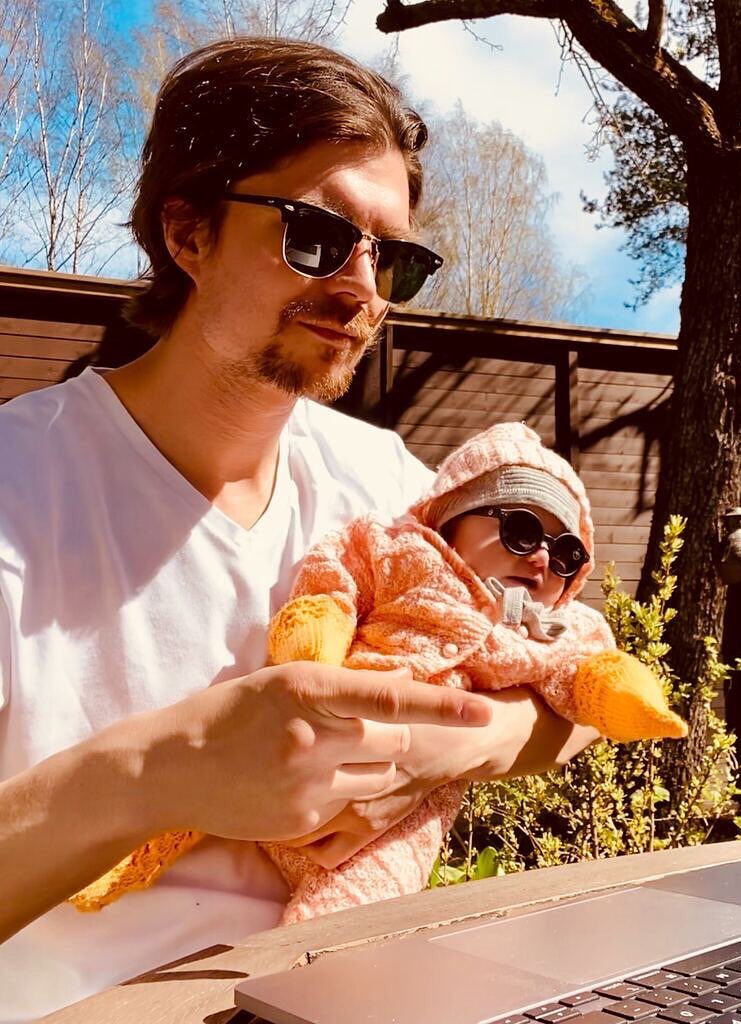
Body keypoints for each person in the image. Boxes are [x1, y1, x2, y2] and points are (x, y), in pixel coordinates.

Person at [0, 39, 602, 1022]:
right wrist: (157, 773)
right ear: (188, 232)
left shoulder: (388, 487)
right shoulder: (19, 492)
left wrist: (448, 749)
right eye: (317, 234)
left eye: (392, 258)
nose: (362, 288)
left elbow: (576, 689)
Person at [71, 421, 687, 923]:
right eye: (522, 530)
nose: (544, 558)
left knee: (357, 911)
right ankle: (109, 861)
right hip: (310, 729)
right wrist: (320, 629)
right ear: (452, 518)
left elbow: (585, 676)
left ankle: (302, 991)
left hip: (395, 825)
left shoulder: (550, 626)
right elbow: (338, 577)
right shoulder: (401, 549)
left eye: (568, 552)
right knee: (203, 785)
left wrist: (615, 693)